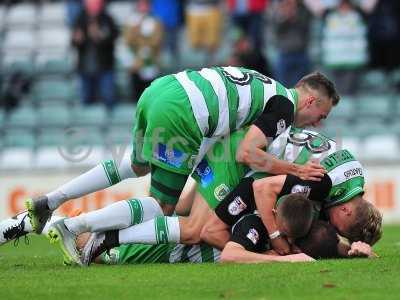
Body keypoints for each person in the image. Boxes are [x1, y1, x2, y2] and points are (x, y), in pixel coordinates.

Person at [26, 68, 339, 240]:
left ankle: (50, 200)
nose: (317, 123)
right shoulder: (283, 107)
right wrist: (295, 170)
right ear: (310, 101)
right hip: (183, 114)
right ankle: (74, 227)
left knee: (137, 165)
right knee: (163, 207)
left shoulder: (268, 85)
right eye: (321, 115)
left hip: (161, 89)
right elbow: (248, 154)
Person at [202, 149, 383, 255]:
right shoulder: (322, 184)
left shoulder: (351, 181)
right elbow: (262, 188)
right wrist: (275, 237)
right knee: (203, 231)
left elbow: (327, 243)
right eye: (339, 229)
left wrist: (360, 252)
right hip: (235, 157)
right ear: (346, 211)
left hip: (259, 159)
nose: (334, 229)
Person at [71, 0, 119, 109]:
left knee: (109, 100)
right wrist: (77, 40)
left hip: (105, 66)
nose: (93, 7)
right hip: (85, 67)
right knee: (86, 101)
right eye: (91, 4)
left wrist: (99, 37)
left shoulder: (107, 19)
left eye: (96, 4)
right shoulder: (80, 19)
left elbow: (113, 37)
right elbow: (74, 42)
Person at [123, 0, 163, 102]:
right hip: (135, 62)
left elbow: (156, 40)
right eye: (141, 5)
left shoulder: (156, 21)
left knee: (150, 91)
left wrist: (141, 38)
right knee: (136, 91)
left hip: (150, 61)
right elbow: (127, 40)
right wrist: (139, 32)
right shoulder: (131, 21)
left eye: (145, 5)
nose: (143, 8)